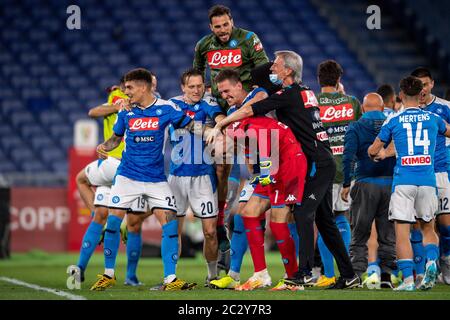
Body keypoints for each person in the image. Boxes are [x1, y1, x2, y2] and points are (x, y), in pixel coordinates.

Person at [207, 50, 360, 289]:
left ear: (288, 71)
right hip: (319, 160)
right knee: (325, 221)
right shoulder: (304, 91)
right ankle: (349, 275)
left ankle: (305, 272)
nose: (272, 69)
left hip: (317, 163)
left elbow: (250, 110)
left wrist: (222, 123)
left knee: (302, 213)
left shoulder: (288, 95)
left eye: (276, 66)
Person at [90, 68, 198, 291]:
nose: (125, 91)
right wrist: (104, 147)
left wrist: (213, 132)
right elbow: (115, 139)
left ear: (143, 87)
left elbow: (191, 125)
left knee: (169, 225)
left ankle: (170, 279)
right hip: (127, 176)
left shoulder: (166, 108)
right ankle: (108, 274)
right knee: (112, 222)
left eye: (129, 88)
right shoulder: (126, 112)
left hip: (156, 179)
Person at [193, 4, 270, 270]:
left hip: (247, 110)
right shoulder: (204, 46)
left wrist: (253, 103)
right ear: (211, 28)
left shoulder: (248, 39)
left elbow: (264, 72)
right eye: (218, 27)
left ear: (231, 21)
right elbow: (198, 76)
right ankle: (222, 214)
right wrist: (209, 106)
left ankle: (254, 200)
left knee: (255, 164)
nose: (223, 31)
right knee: (221, 164)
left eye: (226, 25)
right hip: (221, 113)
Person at [368, 76, 450, 291]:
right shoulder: (433, 118)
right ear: (421, 93)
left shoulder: (394, 119)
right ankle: (432, 262)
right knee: (428, 228)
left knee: (402, 231)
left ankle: (408, 281)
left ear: (401, 95)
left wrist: (378, 154)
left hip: (404, 181)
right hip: (428, 180)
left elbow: (374, 149)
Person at [68, 78, 147, 287]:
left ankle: (81, 268)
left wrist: (116, 103)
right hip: (134, 169)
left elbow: (93, 112)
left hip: (115, 164)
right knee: (133, 224)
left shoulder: (119, 98)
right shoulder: (142, 102)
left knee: (87, 191)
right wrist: (117, 103)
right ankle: (130, 276)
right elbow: (95, 112)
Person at [223, 114, 307, 291]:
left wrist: (264, 179)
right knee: (249, 211)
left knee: (278, 222)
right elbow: (255, 165)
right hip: (273, 169)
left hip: (287, 169)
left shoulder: (256, 131)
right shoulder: (246, 132)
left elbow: (271, 164)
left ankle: (293, 279)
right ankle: (260, 274)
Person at [167, 68, 225, 286]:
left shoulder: (208, 103)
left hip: (203, 176)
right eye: (191, 86)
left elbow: (220, 117)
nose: (196, 90)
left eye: (200, 86)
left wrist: (217, 125)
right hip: (177, 177)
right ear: (183, 88)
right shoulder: (171, 105)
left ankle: (212, 276)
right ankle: (171, 276)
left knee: (210, 231)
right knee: (174, 230)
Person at [341, 93, 396, 289]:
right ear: (382, 108)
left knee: (360, 232)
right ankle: (387, 277)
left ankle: (356, 275)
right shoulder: (393, 122)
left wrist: (346, 183)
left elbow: (347, 157)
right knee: (387, 233)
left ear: (363, 109)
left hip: (364, 184)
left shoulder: (355, 126)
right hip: (390, 184)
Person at [314, 60, 361, 287]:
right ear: (339, 80)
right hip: (347, 171)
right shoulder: (351, 102)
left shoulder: (312, 104)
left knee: (324, 221)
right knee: (341, 218)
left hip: (321, 171)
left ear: (319, 79)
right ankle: (347, 271)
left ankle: (329, 274)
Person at [411, 67, 450, 285]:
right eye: (418, 85)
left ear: (432, 84)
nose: (422, 89)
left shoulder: (445, 107)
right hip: (417, 173)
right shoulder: (408, 108)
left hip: (441, 172)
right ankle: (423, 272)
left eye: (425, 84)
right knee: (420, 225)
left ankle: (446, 266)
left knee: (445, 226)